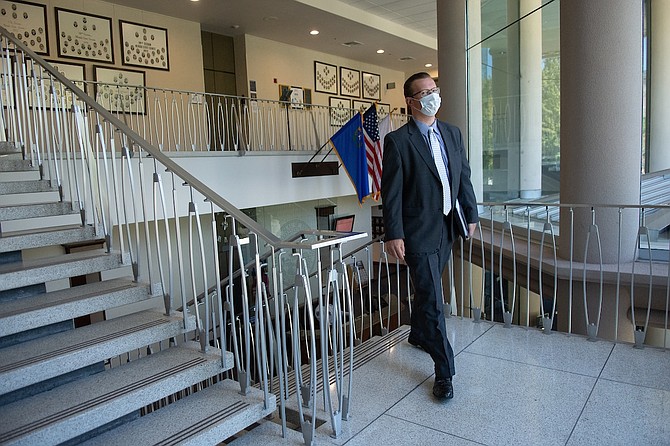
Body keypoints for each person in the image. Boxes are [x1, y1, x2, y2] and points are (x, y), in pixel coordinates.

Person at [381, 72, 478, 400]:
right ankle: (444, 371)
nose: (432, 96)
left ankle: (419, 335)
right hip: (418, 233)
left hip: (448, 228)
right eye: (424, 92)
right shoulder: (398, 141)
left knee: (427, 292)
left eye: (434, 89)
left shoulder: (452, 132)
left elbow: (462, 175)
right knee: (435, 301)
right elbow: (391, 193)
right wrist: (393, 234)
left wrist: (471, 214)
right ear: (411, 101)